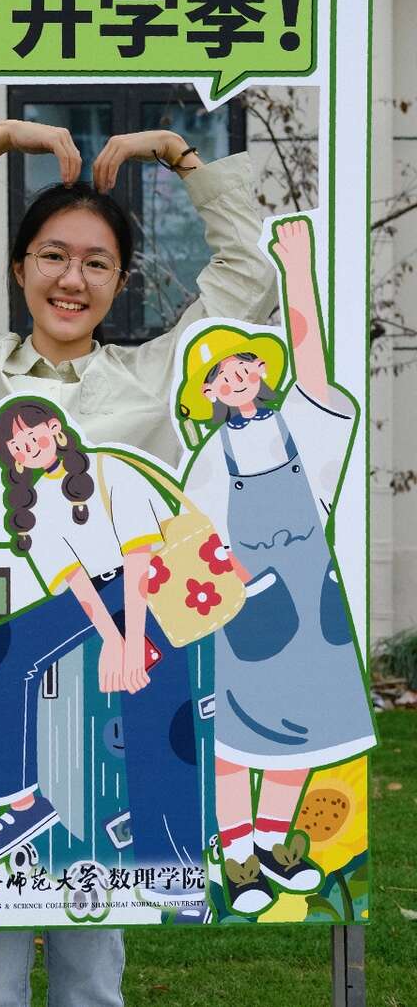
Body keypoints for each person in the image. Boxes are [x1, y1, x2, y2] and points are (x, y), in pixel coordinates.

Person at [0, 120, 275, 1007]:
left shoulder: (152, 379)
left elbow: (249, 278)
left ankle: (152, 848)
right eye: (53, 256)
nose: (72, 279)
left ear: (121, 283)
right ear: (19, 268)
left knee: (91, 971)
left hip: (116, 647)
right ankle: (17, 810)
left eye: (96, 263)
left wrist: (185, 157)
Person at [177, 218, 376, 918]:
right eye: (218, 376)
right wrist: (244, 588)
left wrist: (297, 269)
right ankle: (236, 858)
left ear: (261, 370)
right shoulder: (210, 458)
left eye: (243, 366)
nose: (234, 379)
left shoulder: (303, 427)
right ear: (206, 394)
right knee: (239, 740)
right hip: (251, 609)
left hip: (313, 604)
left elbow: (312, 360)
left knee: (305, 732)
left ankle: (270, 844)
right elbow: (194, 539)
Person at [0, 397, 203, 891]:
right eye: (16, 445)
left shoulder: (109, 469)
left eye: (32, 433)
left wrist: (131, 644)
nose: (28, 446)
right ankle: (24, 805)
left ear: (56, 428)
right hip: (94, 596)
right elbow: (75, 582)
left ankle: (178, 870)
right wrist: (111, 640)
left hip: (150, 583)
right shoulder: (29, 508)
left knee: (155, 706)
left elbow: (139, 558)